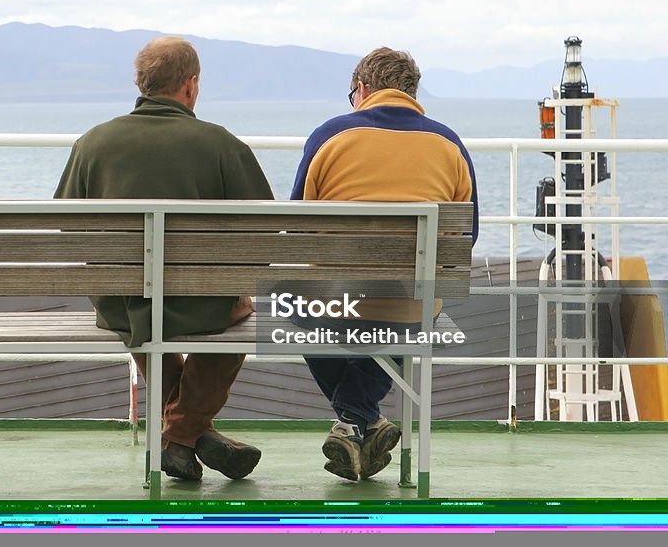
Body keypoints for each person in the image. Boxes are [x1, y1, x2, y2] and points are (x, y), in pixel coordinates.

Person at [54, 36, 275, 481]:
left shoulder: (92, 143)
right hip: (199, 303)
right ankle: (183, 433)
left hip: (119, 303)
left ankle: (185, 434)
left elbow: (67, 229)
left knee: (139, 314)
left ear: (142, 83)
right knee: (242, 311)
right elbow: (264, 235)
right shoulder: (221, 144)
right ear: (190, 86)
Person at [290, 46, 479, 482]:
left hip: (335, 301)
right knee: (410, 303)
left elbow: (299, 226)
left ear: (361, 89)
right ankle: (363, 421)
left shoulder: (329, 136)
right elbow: (466, 236)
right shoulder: (449, 143)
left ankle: (355, 421)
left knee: (295, 304)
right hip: (413, 303)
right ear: (411, 91)